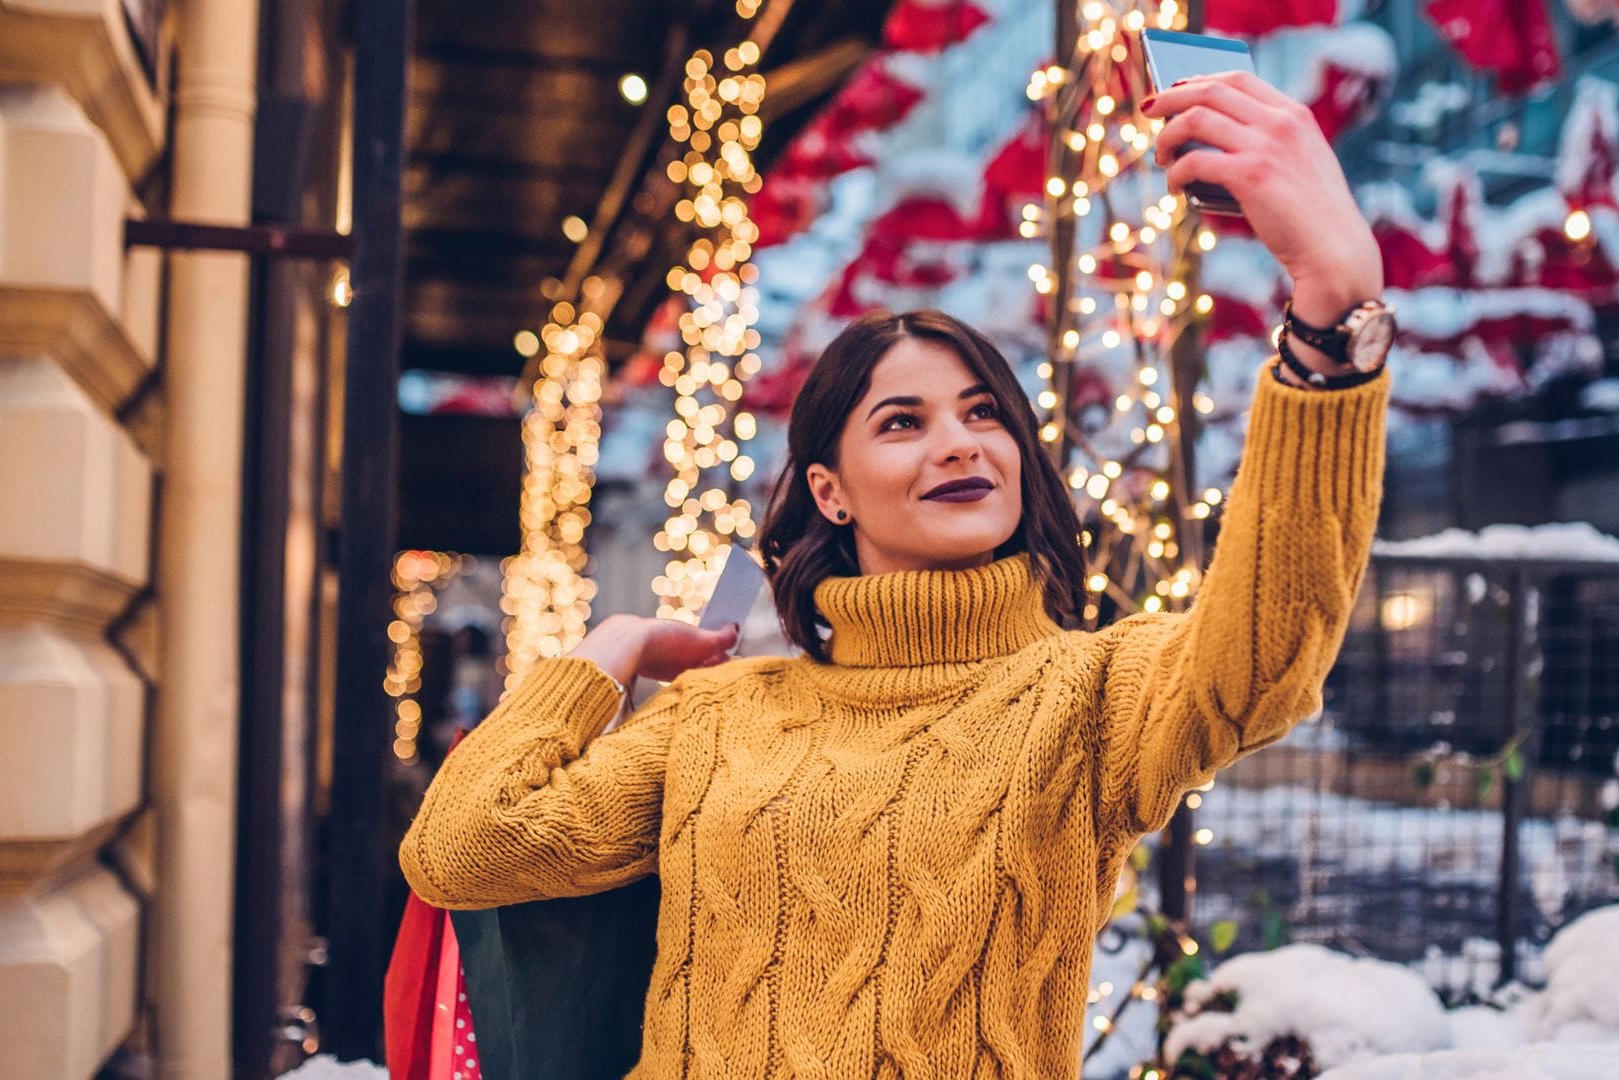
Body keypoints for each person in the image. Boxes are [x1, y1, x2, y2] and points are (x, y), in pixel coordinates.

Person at [401, 69, 1393, 1078]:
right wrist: (606, 653)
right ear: (831, 492)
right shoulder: (714, 719)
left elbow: (1267, 648)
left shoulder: (1094, 697)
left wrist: (1331, 322)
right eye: (902, 423)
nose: (959, 444)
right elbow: (463, 848)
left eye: (983, 412)